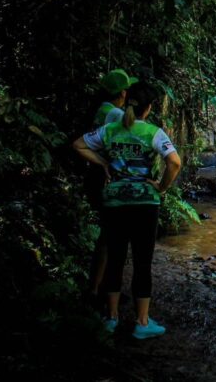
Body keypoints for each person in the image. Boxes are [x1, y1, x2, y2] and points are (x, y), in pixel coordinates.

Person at [72, 83, 181, 339]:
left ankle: (111, 318)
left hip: (114, 202)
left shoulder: (110, 130)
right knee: (143, 263)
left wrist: (104, 163)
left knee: (116, 259)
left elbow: (78, 145)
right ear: (149, 108)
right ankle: (142, 323)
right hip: (145, 204)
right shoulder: (153, 132)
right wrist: (161, 187)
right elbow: (174, 162)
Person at [84, 68, 139, 309]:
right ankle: (104, 292)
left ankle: (96, 289)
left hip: (95, 177)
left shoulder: (101, 110)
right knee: (113, 238)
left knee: (107, 237)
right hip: (109, 181)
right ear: (123, 92)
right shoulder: (116, 115)